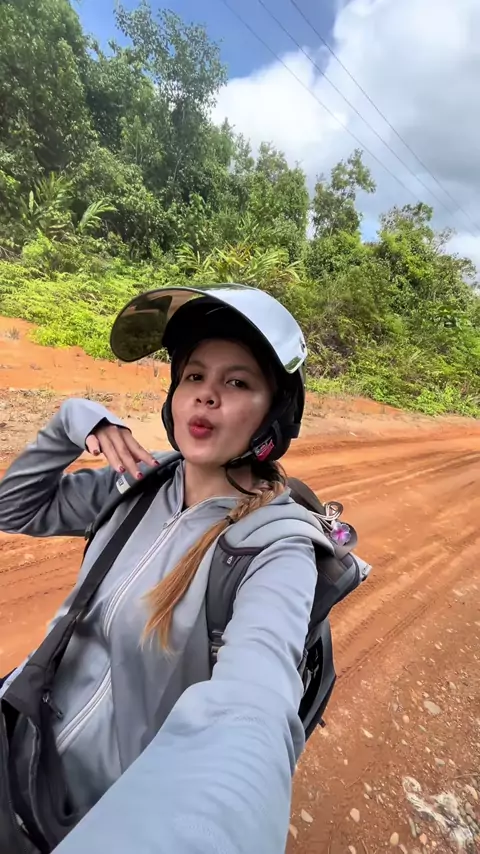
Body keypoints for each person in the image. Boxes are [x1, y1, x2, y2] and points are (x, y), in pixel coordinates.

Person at [0, 285, 318, 854]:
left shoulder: (276, 547)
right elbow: (13, 507)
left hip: (101, 815)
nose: (206, 395)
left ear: (274, 414)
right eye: (194, 376)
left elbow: (256, 704)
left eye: (237, 382)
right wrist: (74, 419)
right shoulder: (140, 483)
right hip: (18, 744)